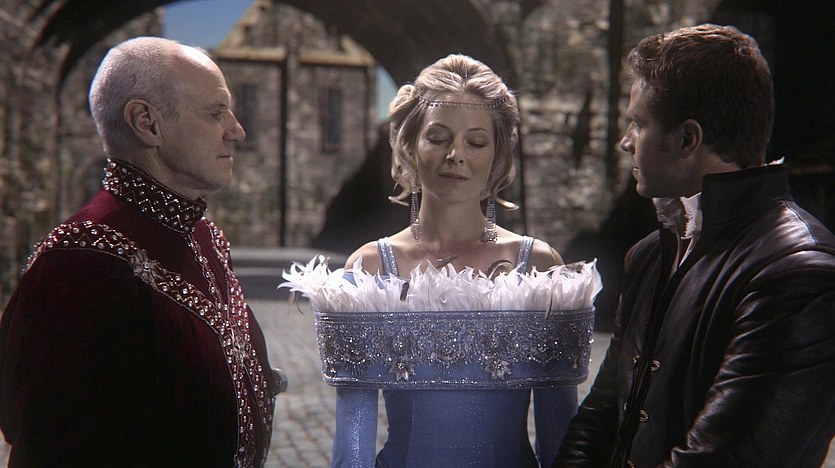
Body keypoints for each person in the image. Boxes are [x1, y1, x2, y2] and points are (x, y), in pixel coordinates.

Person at [286, 54, 599, 468]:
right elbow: (353, 434)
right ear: (410, 145)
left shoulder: (537, 264)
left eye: (476, 142)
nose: (456, 154)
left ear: (497, 155)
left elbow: (558, 427)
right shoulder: (371, 267)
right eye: (437, 138)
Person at [555, 24, 835, 467]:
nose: (625, 141)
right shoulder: (652, 253)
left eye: (638, 123)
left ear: (687, 138)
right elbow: (601, 417)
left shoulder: (796, 271)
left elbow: (723, 458)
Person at [0, 37, 286, 467]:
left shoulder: (203, 235)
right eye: (215, 112)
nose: (237, 130)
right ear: (146, 123)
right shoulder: (80, 265)